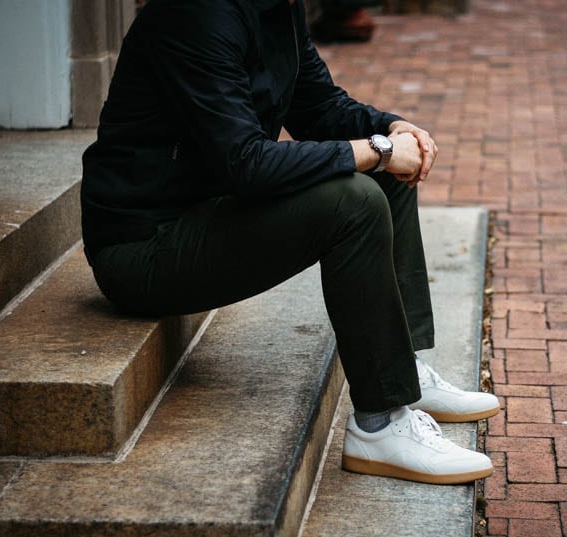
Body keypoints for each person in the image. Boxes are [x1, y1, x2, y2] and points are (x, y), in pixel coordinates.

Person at [81, 0, 499, 485]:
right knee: (356, 196)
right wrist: (378, 152)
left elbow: (318, 105)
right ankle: (380, 426)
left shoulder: (277, 8)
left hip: (207, 209)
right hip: (143, 247)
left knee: (385, 172)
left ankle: (402, 370)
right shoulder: (195, 15)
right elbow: (247, 165)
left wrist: (389, 128)